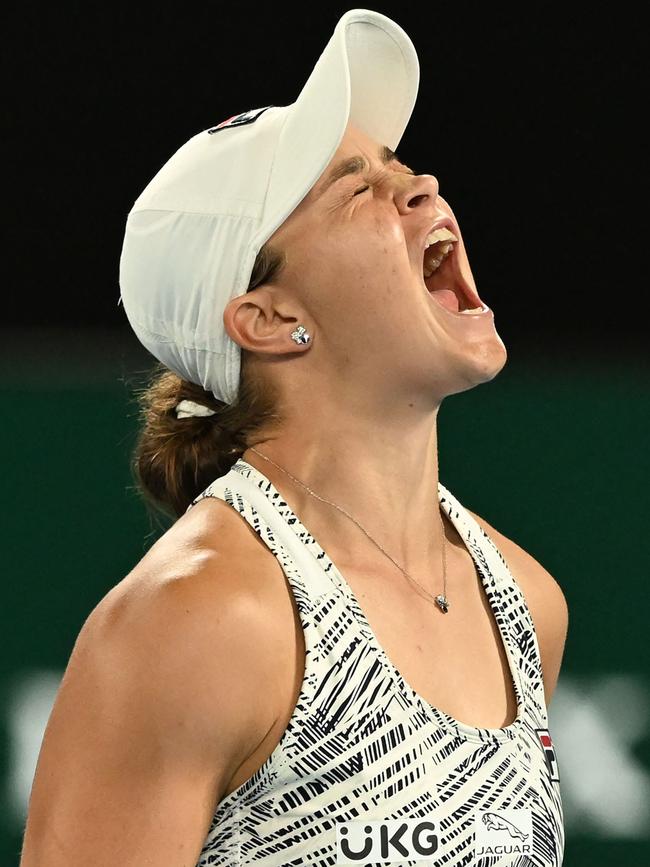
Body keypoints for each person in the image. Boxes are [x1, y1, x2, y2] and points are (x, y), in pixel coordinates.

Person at [20, 8, 568, 867]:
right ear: (272, 319)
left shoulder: (527, 605)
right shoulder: (196, 620)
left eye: (398, 166)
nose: (420, 185)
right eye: (358, 189)